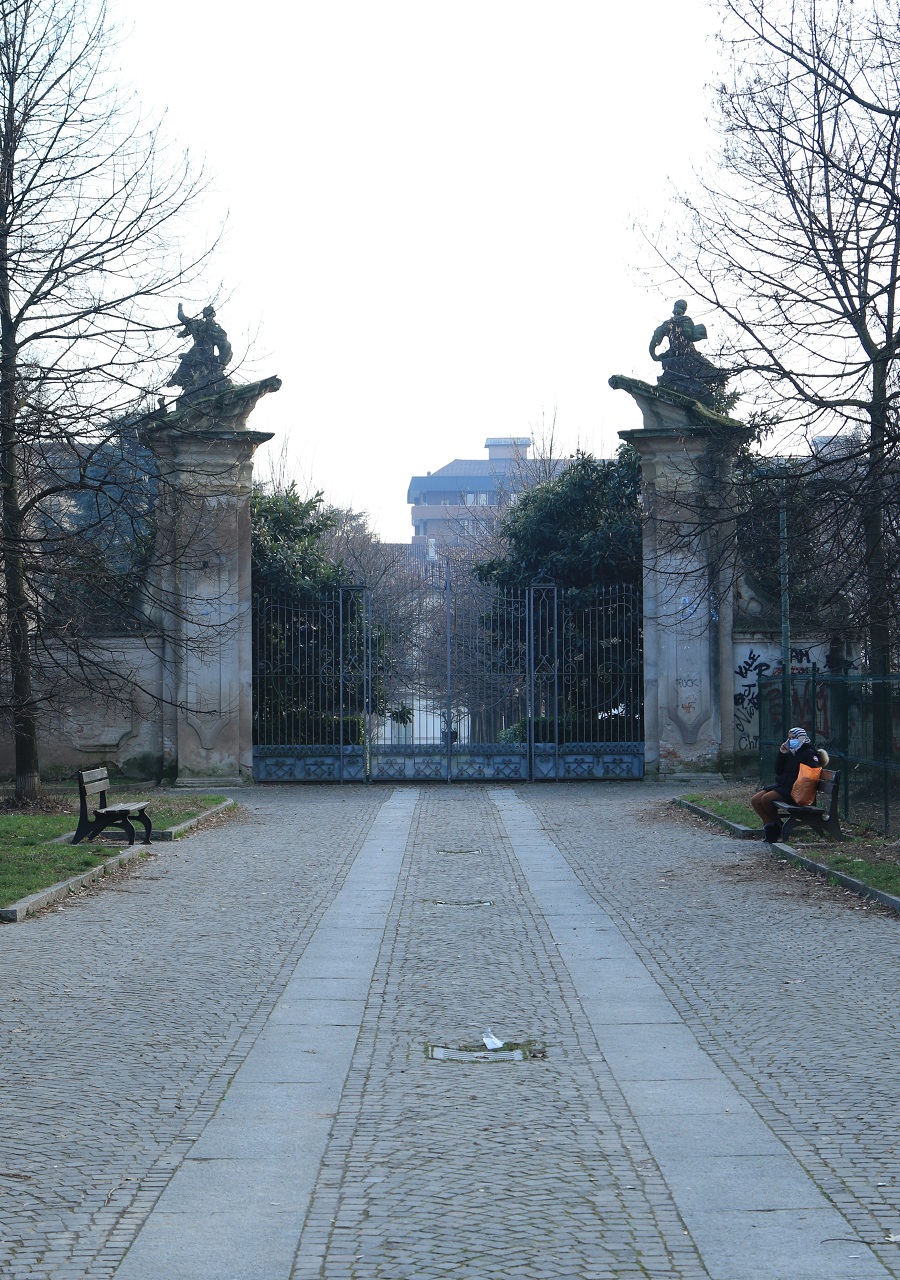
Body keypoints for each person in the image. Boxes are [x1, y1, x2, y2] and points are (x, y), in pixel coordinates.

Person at [751, 726, 829, 843]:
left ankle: (776, 828)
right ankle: (773, 826)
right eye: (790, 738)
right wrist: (782, 754)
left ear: (801, 738)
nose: (791, 740)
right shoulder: (791, 752)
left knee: (766, 799)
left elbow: (812, 774)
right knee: (755, 800)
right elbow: (778, 770)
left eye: (794, 738)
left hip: (797, 792)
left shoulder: (809, 753)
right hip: (783, 786)